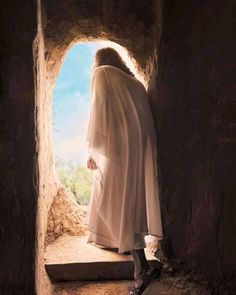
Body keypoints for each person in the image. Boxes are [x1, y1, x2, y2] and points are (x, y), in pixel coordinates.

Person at [85, 47, 163, 295]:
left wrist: (93, 150)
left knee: (116, 202)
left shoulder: (102, 73)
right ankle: (141, 263)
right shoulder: (135, 83)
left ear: (100, 61)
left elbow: (99, 110)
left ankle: (141, 272)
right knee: (129, 203)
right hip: (139, 150)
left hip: (118, 150)